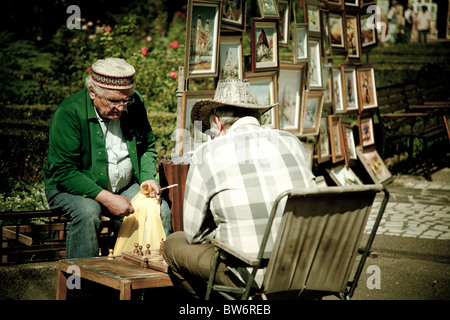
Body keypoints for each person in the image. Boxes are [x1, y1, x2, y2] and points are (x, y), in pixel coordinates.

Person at [162, 79, 316, 299]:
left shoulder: (207, 153)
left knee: (173, 244)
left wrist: (225, 227)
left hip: (252, 274)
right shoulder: (291, 141)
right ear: (256, 117)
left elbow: (194, 234)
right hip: (308, 268)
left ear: (218, 121)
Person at [43, 57, 172, 259]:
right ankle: (83, 285)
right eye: (114, 101)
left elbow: (147, 146)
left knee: (159, 209)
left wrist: (147, 177)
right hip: (71, 189)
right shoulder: (68, 113)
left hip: (124, 186)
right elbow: (64, 172)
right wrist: (107, 198)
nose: (121, 107)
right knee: (87, 214)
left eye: (125, 100)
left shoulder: (135, 103)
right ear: (92, 92)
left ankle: (152, 281)